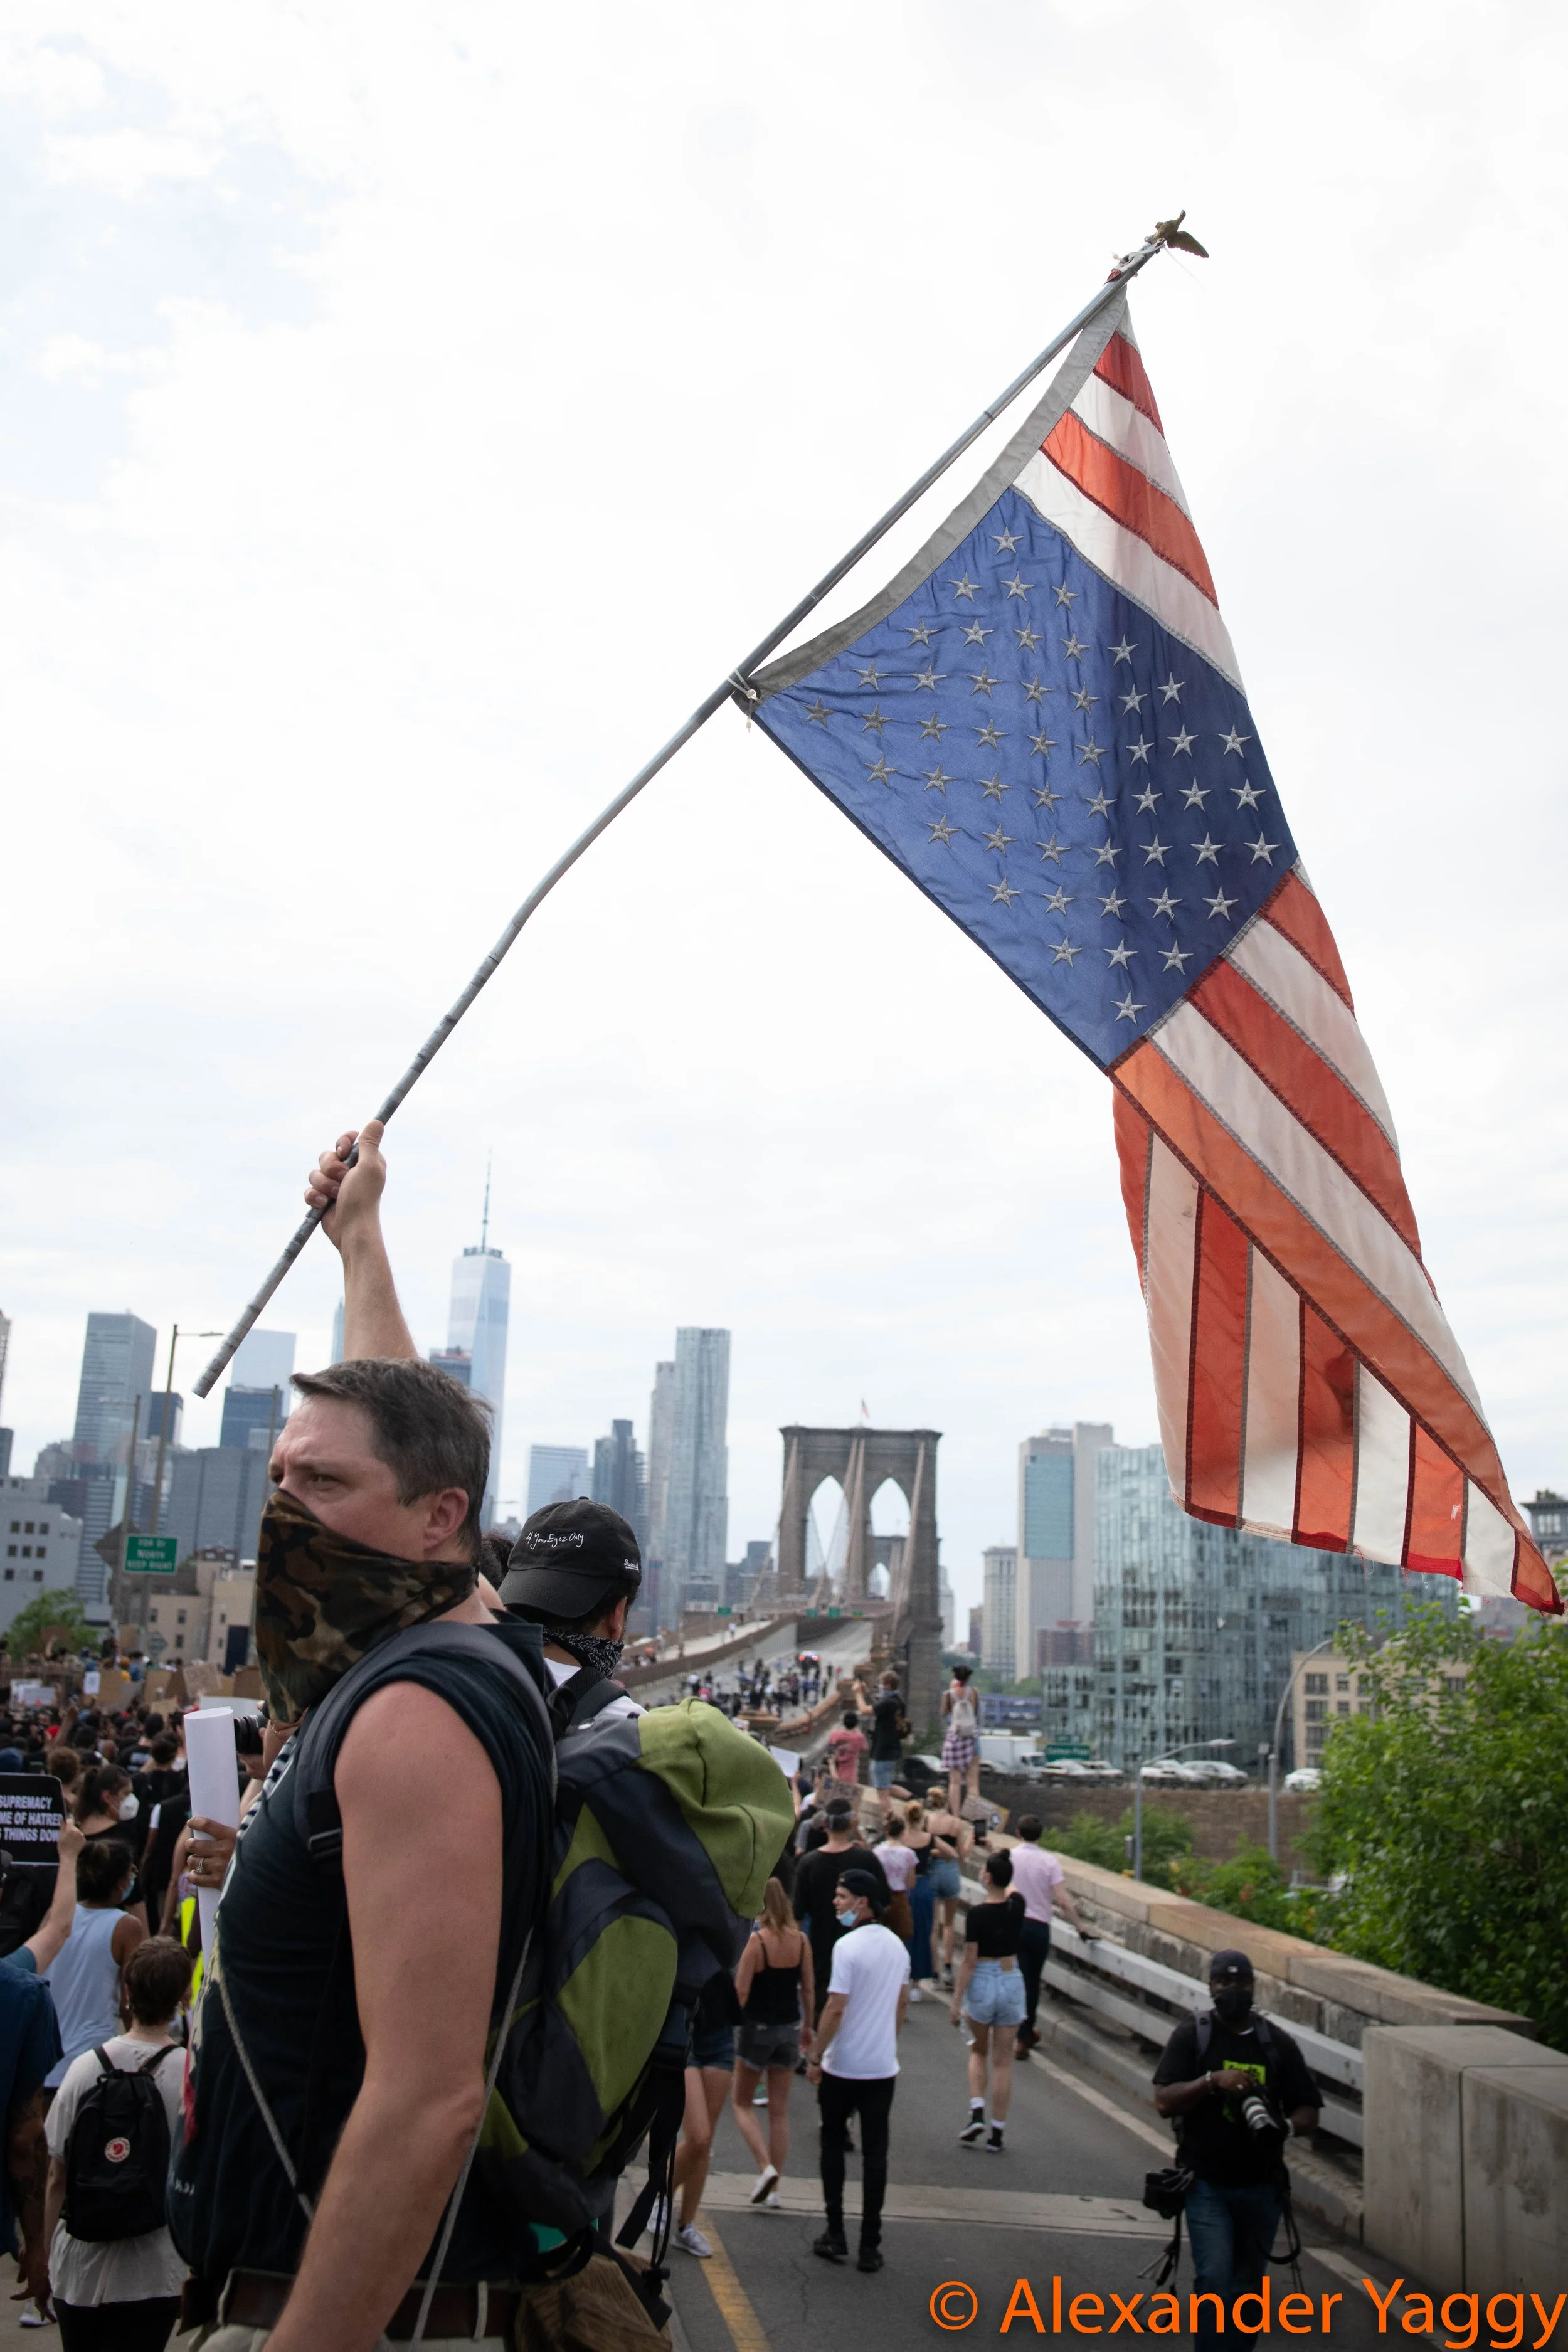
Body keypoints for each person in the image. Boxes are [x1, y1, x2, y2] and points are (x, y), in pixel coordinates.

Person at [167, 1118, 557, 2352]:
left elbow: (428, 2102)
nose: (290, 1510)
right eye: (283, 1480)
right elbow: (399, 1442)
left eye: (319, 1490)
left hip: (335, 2320)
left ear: (441, 1521)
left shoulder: (411, 1717)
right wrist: (361, 1242)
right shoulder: (450, 1634)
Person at [1153, 1949, 1320, 2340]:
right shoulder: (1194, 2034)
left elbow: (1309, 2110)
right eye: (1223, 1983)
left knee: (1247, 2292)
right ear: (1211, 1987)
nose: (1232, 1990)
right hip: (1206, 2182)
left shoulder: (1275, 2043)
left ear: (1253, 1988)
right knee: (1214, 2280)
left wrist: (1285, 2129)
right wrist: (1212, 2082)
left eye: (1240, 1982)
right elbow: (1163, 2100)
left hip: (1262, 2187)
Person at [43, 1936, 194, 2350]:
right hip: (155, 2268)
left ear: (127, 1991)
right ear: (183, 1994)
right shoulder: (192, 2075)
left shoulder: (83, 2069)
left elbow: (56, 2174)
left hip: (80, 2268)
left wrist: (43, 2257)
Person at [805, 1871, 909, 2274]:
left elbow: (835, 2007)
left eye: (842, 1896)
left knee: (833, 2144)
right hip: (881, 2067)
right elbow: (901, 2005)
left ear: (862, 1902)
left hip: (844, 2065)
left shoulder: (846, 1947)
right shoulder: (898, 1948)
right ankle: (871, 2244)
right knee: (876, 2155)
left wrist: (816, 2054)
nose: (836, 1902)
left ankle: (835, 2232)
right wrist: (887, 2039)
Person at [730, 1878, 813, 2209]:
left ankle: (764, 2167)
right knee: (779, 2112)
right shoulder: (802, 1942)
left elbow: (742, 1992)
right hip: (789, 2029)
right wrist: (808, 2025)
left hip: (757, 2028)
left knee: (742, 2104)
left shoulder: (757, 1942)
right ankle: (776, 2186)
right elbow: (808, 1989)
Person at [41, 1843, 146, 2091]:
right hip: (93, 2064)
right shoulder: (127, 1926)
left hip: (46, 2062)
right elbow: (130, 2002)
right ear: (121, 1882)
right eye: (131, 1872)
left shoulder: (56, 1915)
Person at [950, 1850, 1025, 2151]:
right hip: (1010, 1976)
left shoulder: (977, 1915)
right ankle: (998, 2132)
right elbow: (1015, 1889)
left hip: (982, 1977)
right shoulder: (1017, 1907)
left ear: (988, 1878)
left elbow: (969, 1960)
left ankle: (977, 2111)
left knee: (978, 2052)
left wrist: (956, 2001)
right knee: (1003, 2061)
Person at [790, 1801, 891, 2022]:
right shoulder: (866, 1859)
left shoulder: (808, 1863)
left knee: (824, 2015)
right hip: (864, 1953)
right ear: (852, 1823)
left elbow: (796, 1915)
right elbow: (885, 1902)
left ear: (824, 1825)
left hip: (821, 1951)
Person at [1007, 1815, 1094, 2059]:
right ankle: (1025, 2035)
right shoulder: (1049, 1862)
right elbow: (1063, 1900)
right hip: (1038, 1927)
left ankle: (1020, 2032)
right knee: (1033, 1983)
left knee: (1018, 1980)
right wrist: (1080, 1927)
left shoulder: (1011, 1857)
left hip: (1016, 1925)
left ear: (1018, 1833)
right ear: (1041, 1835)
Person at [921, 1792, 972, 1986]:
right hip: (950, 1869)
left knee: (933, 1927)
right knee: (949, 1924)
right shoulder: (956, 1823)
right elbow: (962, 1854)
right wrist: (970, 1842)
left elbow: (923, 1847)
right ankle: (949, 1968)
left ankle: (934, 1972)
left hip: (932, 1869)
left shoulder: (926, 1821)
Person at [870, 1814, 917, 1986]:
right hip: (899, 1896)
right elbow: (911, 1883)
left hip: (881, 1896)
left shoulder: (878, 1851)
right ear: (902, 1831)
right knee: (900, 1936)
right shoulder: (909, 1854)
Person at [863, 1671, 906, 1825]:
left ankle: (890, 1823)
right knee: (886, 1786)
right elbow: (877, 1706)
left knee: (882, 1794)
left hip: (882, 1751)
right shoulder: (899, 1702)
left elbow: (865, 1710)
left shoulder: (888, 1703)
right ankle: (912, 1798)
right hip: (893, 1751)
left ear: (887, 1684)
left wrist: (856, 1694)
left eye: (882, 1684)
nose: (881, 1687)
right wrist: (867, 1692)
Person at [940, 1664, 981, 1817]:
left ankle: (956, 1815)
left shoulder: (948, 1694)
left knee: (955, 1782)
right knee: (973, 1783)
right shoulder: (974, 1693)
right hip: (972, 1737)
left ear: (954, 1676)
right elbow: (975, 1713)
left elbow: (944, 1713)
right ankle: (972, 1815)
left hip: (955, 1739)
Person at [825, 1709, 867, 1793]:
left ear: (843, 1722)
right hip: (850, 1776)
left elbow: (830, 1747)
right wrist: (857, 1731)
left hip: (832, 1772)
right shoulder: (859, 1738)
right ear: (856, 1724)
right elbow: (865, 1748)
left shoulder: (834, 1734)